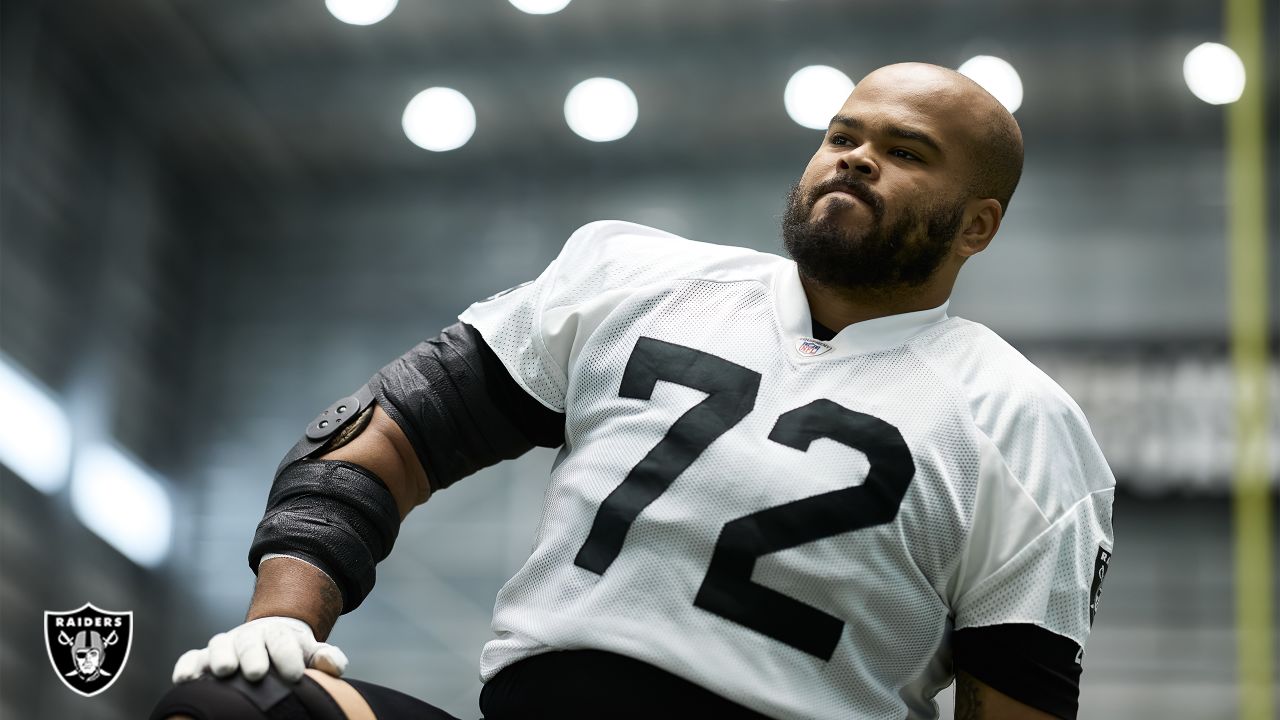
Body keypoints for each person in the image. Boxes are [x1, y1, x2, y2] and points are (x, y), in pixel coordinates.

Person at [151, 62, 1115, 720]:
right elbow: (383, 435)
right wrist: (281, 617)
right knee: (230, 709)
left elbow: (1014, 703)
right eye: (841, 135)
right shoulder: (636, 278)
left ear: (978, 225)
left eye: (905, 152)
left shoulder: (1021, 423)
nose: (855, 158)